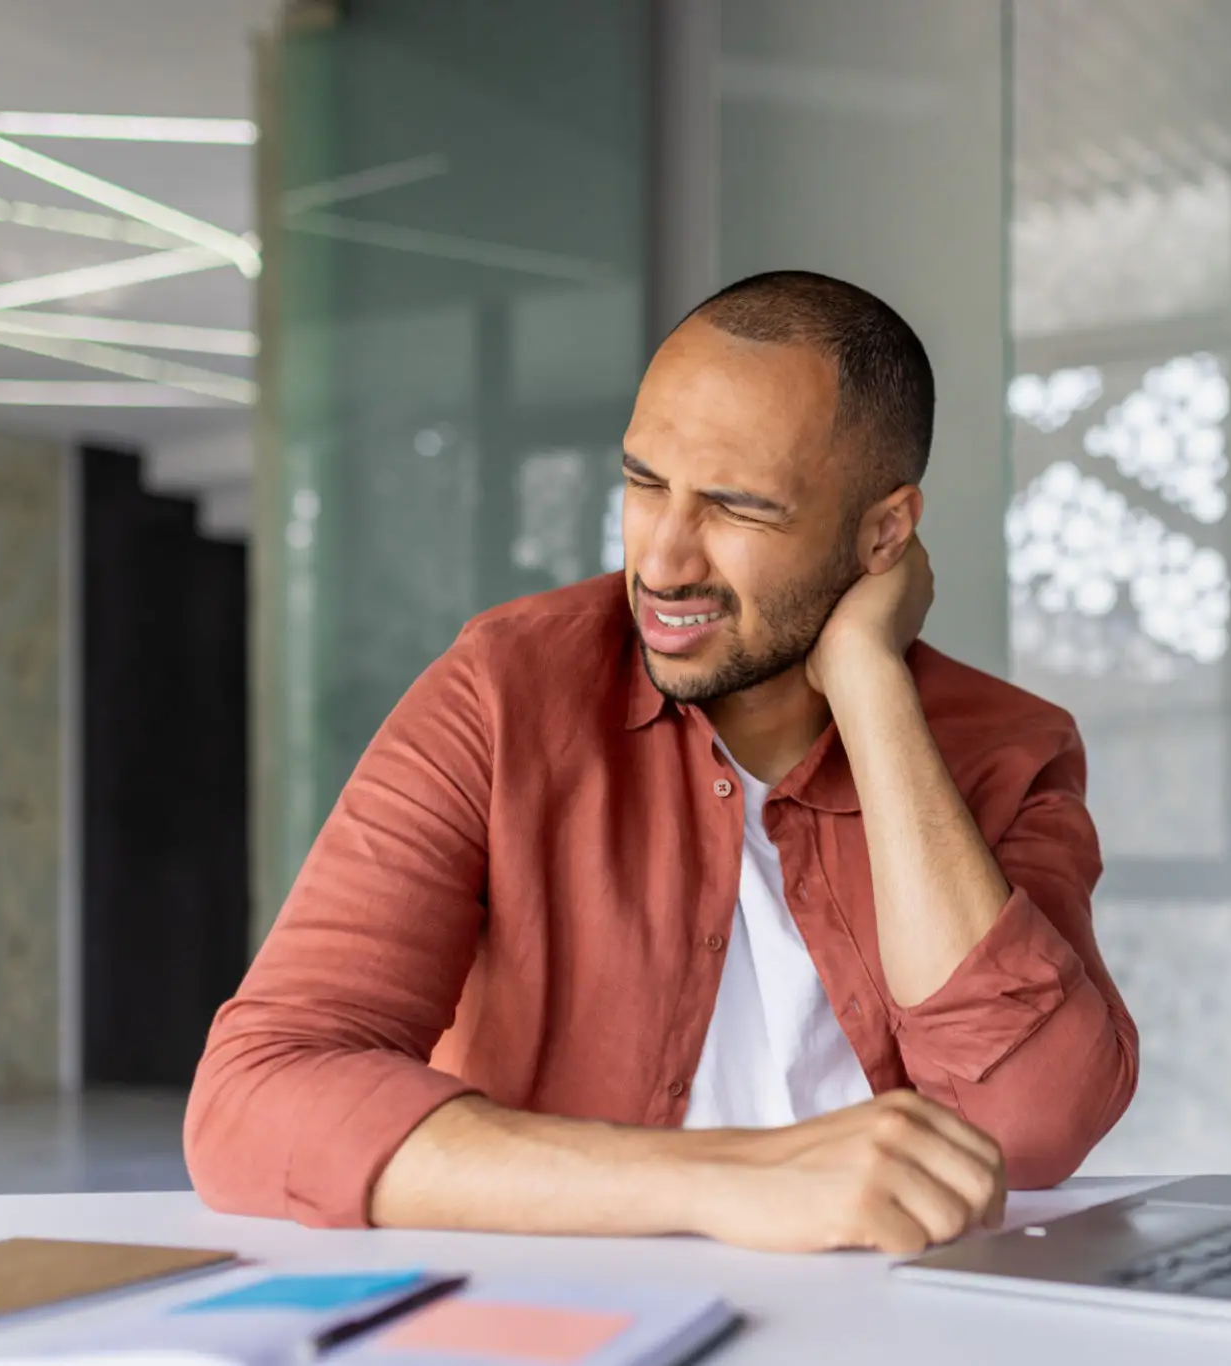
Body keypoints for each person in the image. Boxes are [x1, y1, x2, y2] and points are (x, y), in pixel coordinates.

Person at [184, 271, 1139, 1254]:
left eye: (737, 507)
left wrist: (869, 686)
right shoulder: (504, 691)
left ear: (883, 532)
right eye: (644, 484)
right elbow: (255, 1100)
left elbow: (1030, 1121)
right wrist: (728, 1180)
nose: (664, 560)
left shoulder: (1008, 746)